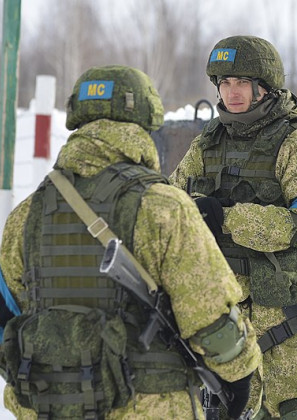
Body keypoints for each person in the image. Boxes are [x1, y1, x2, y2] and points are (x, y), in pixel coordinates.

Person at [0, 65, 261, 420]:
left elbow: (6, 320)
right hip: (149, 405)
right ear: (145, 118)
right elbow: (213, 319)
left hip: (48, 406)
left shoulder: (25, 215)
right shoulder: (163, 207)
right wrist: (240, 379)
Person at [169, 36, 297, 420]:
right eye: (225, 83)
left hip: (284, 321)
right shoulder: (207, 145)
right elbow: (171, 205)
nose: (232, 93)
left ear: (264, 87)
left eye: (242, 83)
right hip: (222, 318)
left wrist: (226, 218)